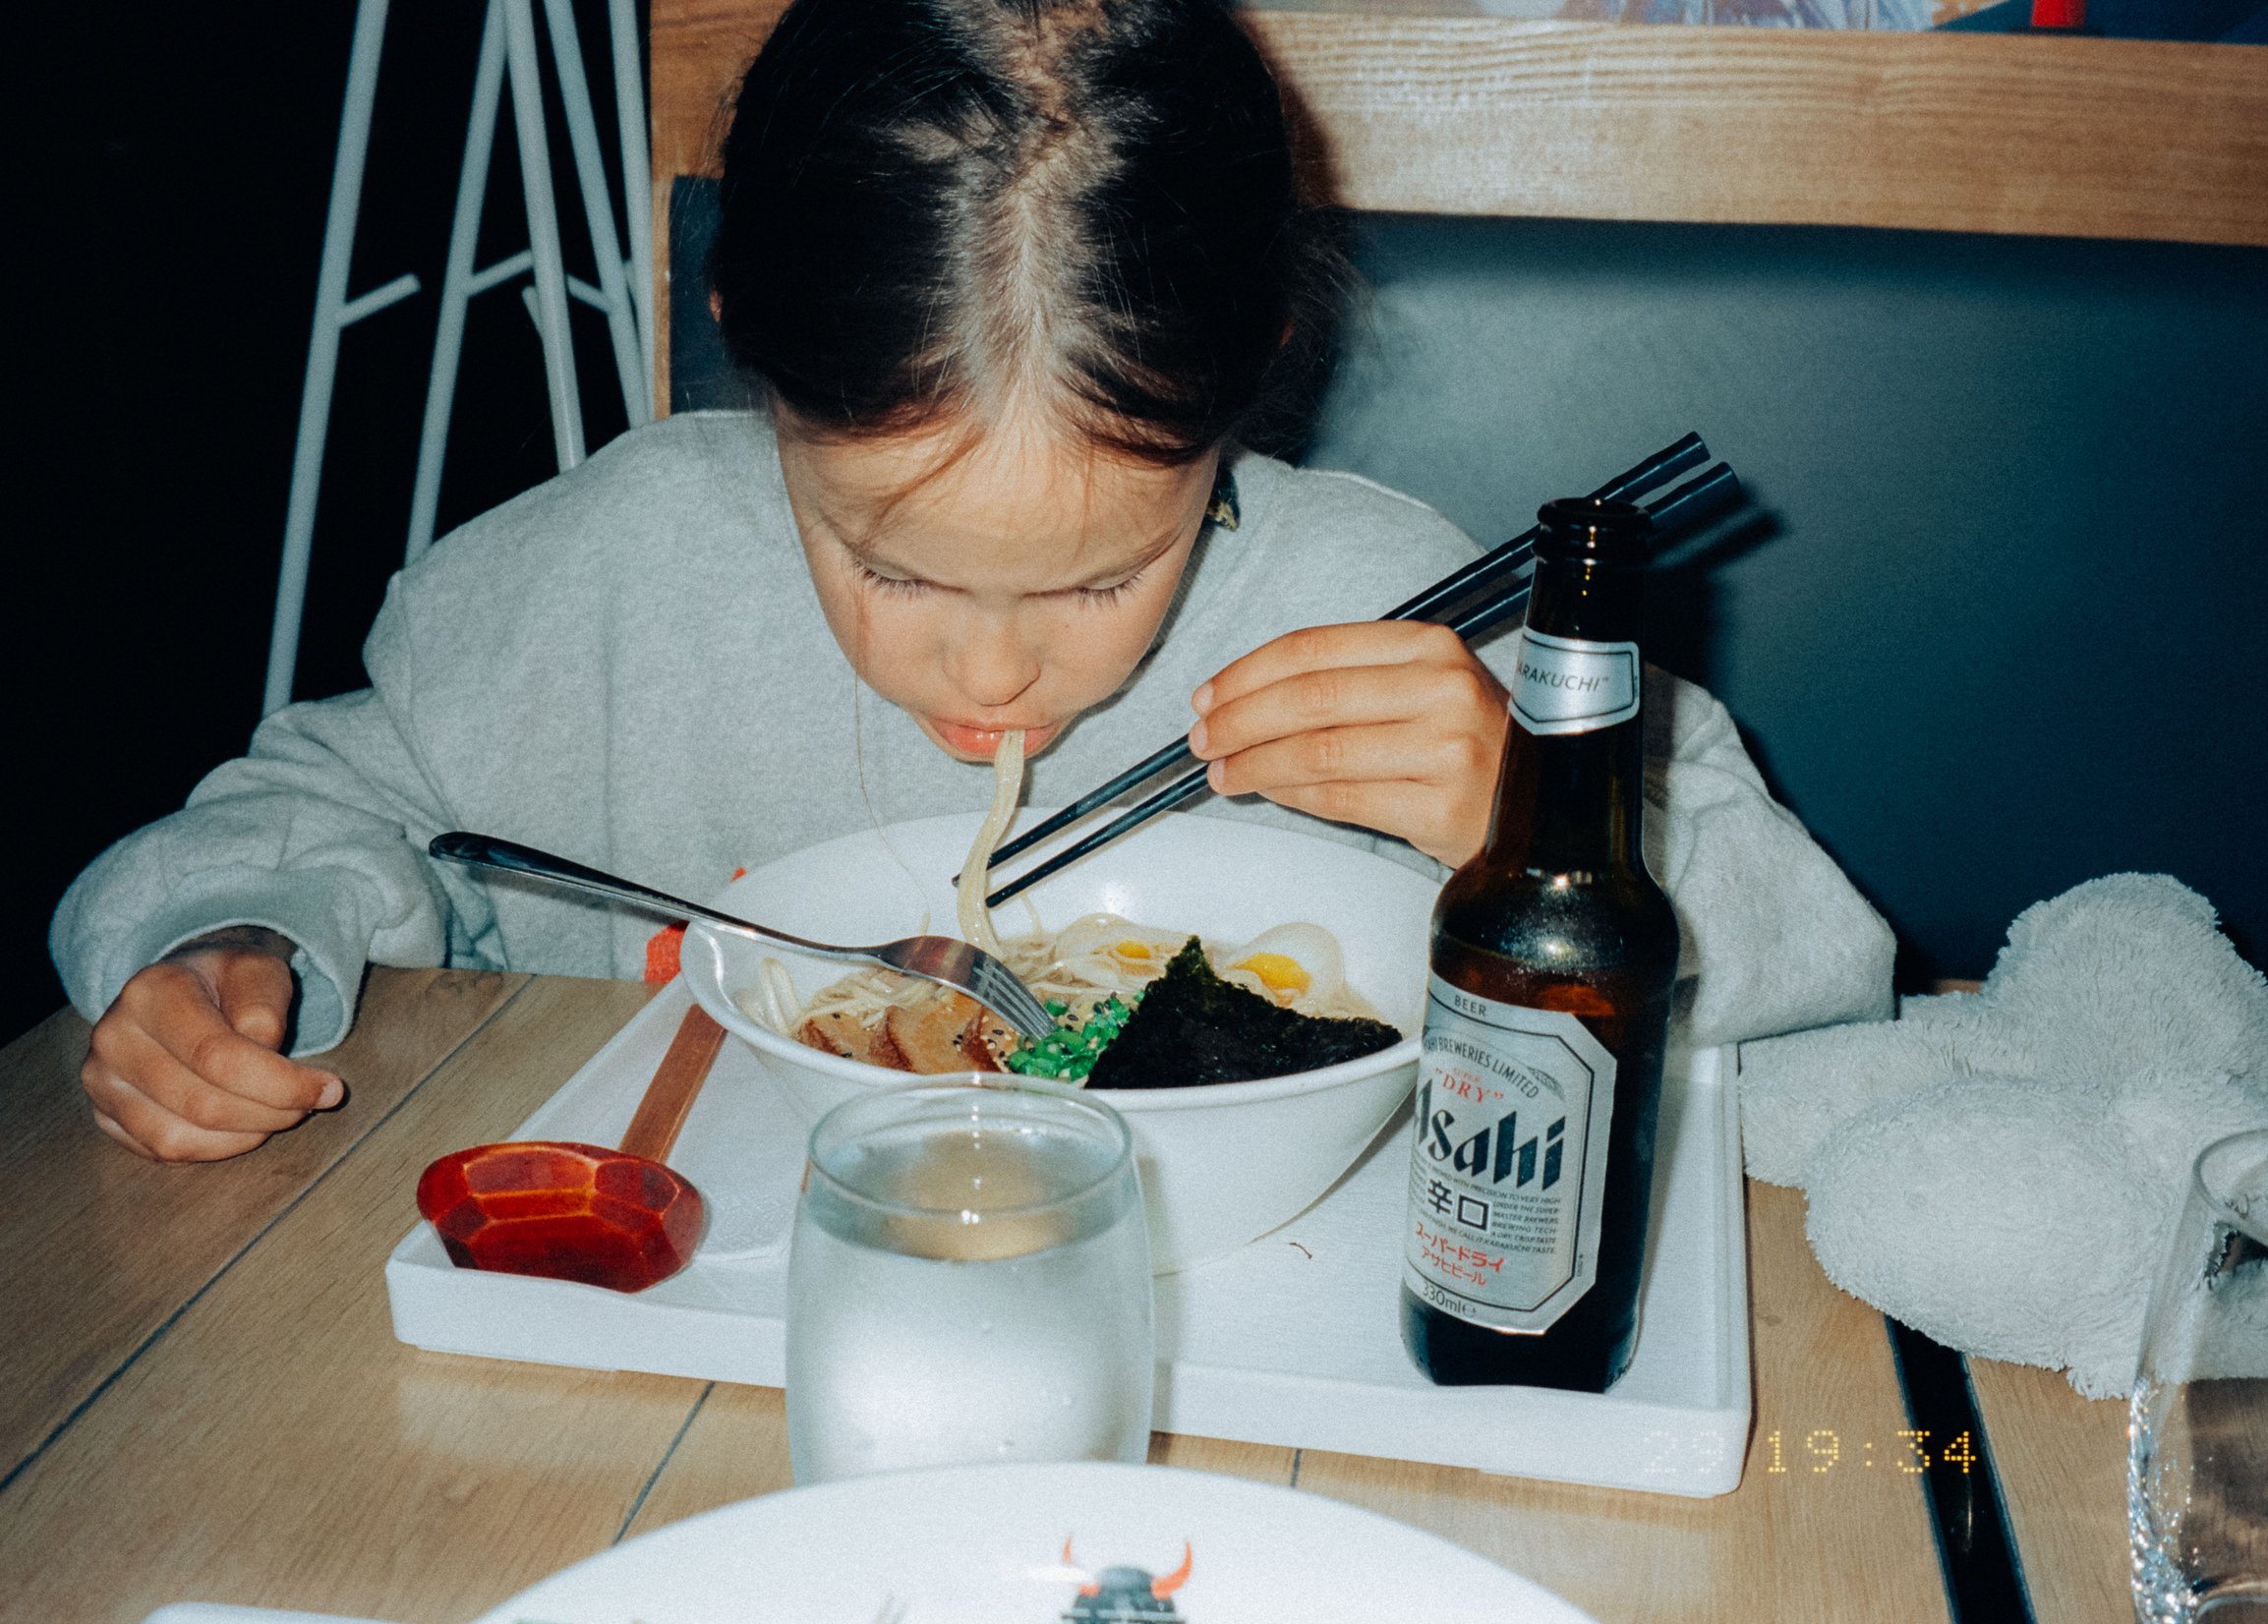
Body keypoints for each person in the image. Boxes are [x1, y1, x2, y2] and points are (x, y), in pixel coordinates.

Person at [53, 0, 1893, 1163]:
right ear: (744, 350)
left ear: (1244, 379)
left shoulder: (1398, 618)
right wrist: (228, 948)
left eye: (1106, 579)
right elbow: (315, 807)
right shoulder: (605, 578)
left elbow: (1824, 984)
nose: (993, 672)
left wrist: (1534, 815)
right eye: (885, 560)